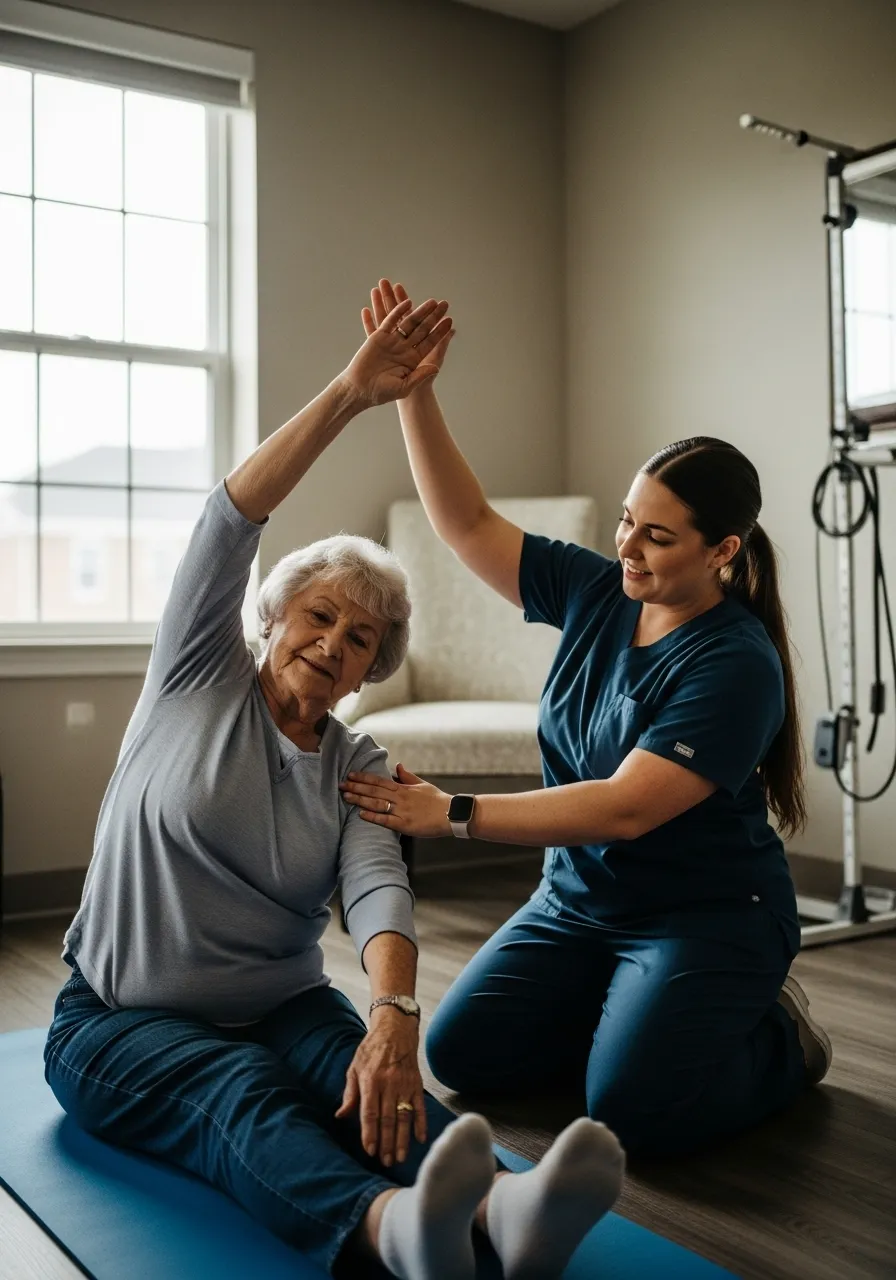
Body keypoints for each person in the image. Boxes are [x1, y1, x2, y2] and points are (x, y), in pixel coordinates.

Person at [44, 291, 626, 1280]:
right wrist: (354, 392)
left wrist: (393, 1013)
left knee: (367, 1074)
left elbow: (376, 889)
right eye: (317, 616)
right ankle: (390, 1228)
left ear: (368, 672)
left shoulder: (357, 763)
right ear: (271, 619)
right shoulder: (197, 677)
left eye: (359, 638)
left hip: (286, 1002)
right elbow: (229, 518)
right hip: (117, 1019)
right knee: (242, 1090)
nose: (331, 642)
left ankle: (503, 1206)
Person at [340, 278, 833, 1159]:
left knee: (634, 1114)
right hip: (576, 903)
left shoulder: (734, 662)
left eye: (657, 537)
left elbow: (626, 807)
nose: (627, 548)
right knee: (463, 1056)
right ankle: (628, 1015)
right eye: (626, 521)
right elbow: (466, 524)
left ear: (723, 550)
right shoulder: (597, 590)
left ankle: (778, 1038)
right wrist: (415, 394)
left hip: (702, 914)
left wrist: (452, 813)